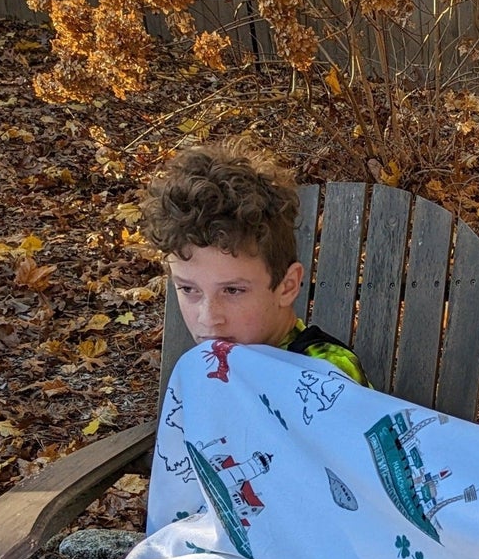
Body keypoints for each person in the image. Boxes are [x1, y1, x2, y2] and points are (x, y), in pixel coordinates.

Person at [139, 138, 367, 383]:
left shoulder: (325, 374)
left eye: (233, 290)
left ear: (288, 286)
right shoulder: (210, 366)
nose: (208, 318)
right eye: (188, 289)